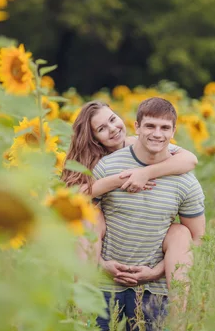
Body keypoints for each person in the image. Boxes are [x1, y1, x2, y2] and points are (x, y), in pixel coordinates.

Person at [91, 97, 205, 331]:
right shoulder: (107, 168)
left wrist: (156, 271)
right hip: (106, 282)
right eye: (150, 126)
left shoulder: (185, 182)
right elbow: (79, 218)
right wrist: (100, 264)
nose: (157, 134)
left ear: (174, 132)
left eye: (165, 128)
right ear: (137, 127)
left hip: (153, 287)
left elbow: (198, 238)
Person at [61, 100, 198, 290]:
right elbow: (71, 199)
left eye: (112, 119)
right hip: (98, 237)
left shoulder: (141, 142)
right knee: (93, 216)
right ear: (93, 138)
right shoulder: (93, 162)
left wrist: (146, 173)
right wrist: (117, 180)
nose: (112, 129)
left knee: (179, 233)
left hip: (141, 236)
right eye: (101, 128)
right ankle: (83, 306)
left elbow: (190, 160)